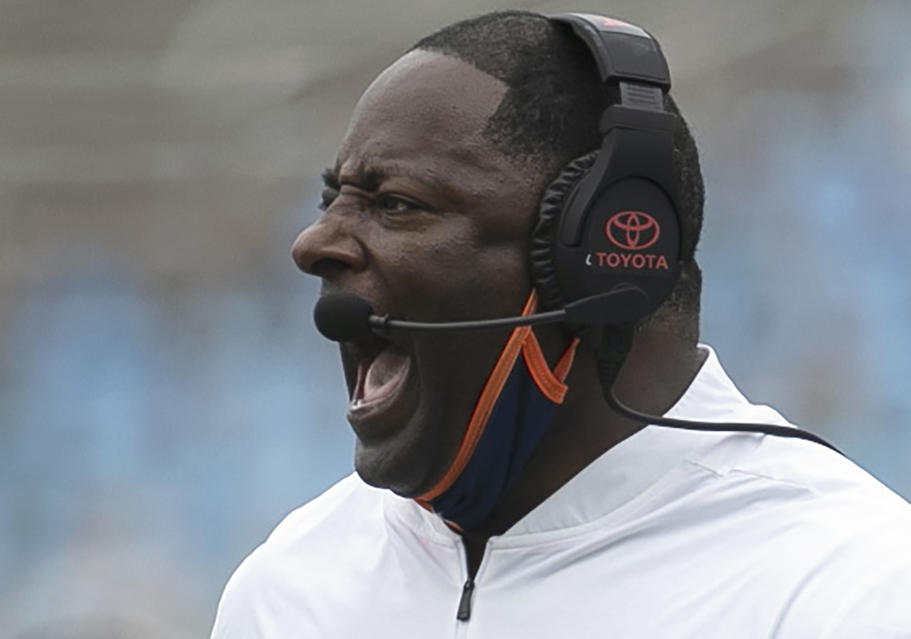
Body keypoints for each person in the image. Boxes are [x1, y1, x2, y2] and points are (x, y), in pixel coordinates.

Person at [210, 10, 911, 638]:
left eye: (395, 204)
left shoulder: (843, 586)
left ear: (603, 262)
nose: (312, 243)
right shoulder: (287, 590)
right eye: (331, 197)